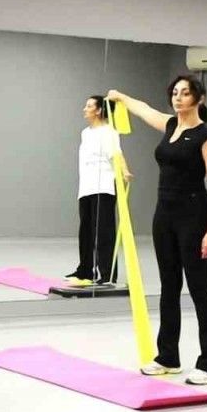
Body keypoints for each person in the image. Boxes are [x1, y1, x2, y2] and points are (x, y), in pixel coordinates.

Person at [107, 76, 207, 386]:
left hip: (193, 216)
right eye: (175, 92)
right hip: (164, 215)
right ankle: (168, 357)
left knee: (199, 289)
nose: (178, 97)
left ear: (199, 98)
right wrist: (121, 96)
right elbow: (143, 109)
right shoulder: (171, 125)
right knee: (168, 287)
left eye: (185, 93)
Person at [68, 94, 131, 285]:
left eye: (89, 106)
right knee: (86, 231)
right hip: (86, 188)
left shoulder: (109, 132)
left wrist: (125, 171)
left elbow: (116, 153)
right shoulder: (85, 133)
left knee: (103, 232)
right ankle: (85, 270)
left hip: (103, 187)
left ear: (99, 110)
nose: (85, 109)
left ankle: (106, 273)